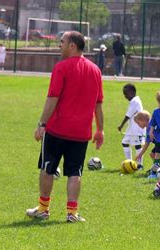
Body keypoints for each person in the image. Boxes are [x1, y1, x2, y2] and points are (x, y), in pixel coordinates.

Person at [26, 31, 104, 223]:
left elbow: (53, 98)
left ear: (72, 46)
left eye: (62, 42)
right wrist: (100, 129)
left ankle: (43, 209)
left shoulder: (61, 67)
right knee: (75, 171)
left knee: (47, 168)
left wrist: (42, 124)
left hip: (57, 130)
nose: (59, 45)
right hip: (81, 133)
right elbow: (98, 103)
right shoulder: (96, 70)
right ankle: (72, 213)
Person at [117, 83, 145, 169]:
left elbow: (128, 115)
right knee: (125, 143)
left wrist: (121, 125)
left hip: (137, 128)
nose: (125, 96)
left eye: (126, 94)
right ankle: (129, 162)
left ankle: (140, 165)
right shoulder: (135, 100)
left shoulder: (135, 101)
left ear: (132, 92)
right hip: (131, 129)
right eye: (124, 94)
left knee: (137, 145)